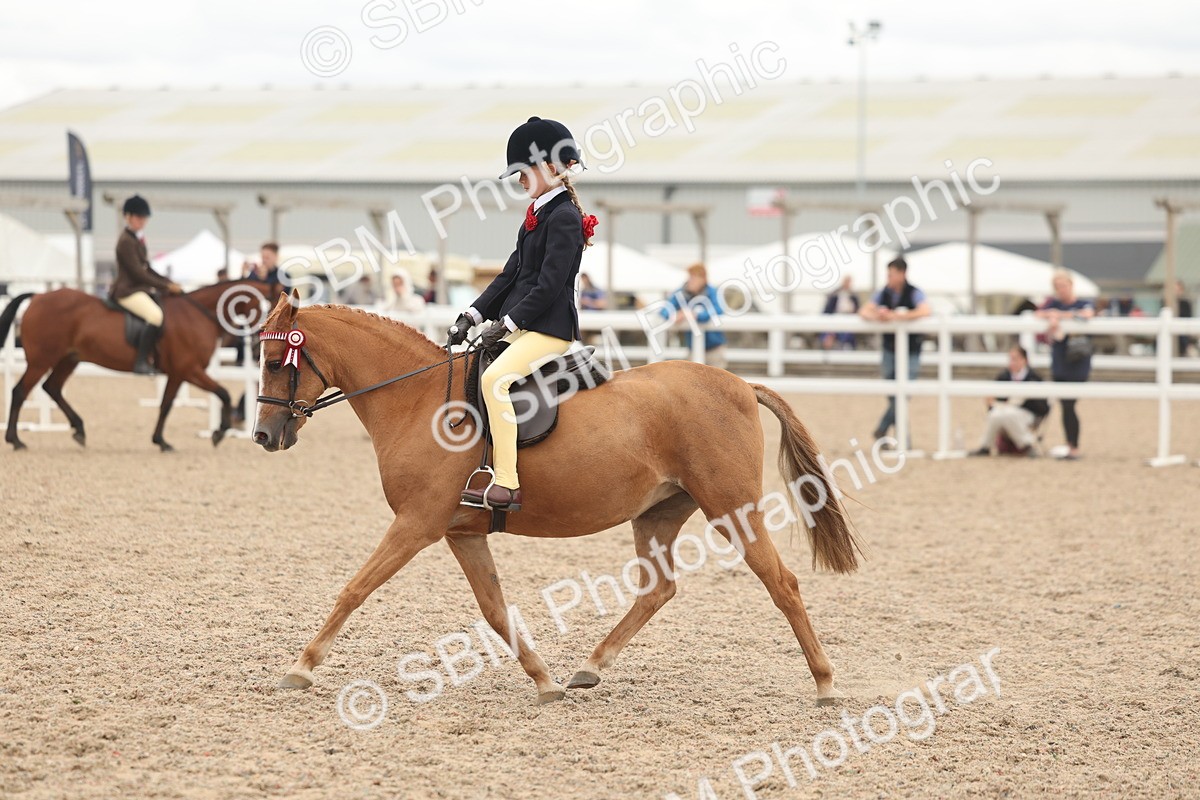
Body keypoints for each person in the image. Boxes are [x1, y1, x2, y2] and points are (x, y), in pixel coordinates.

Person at [449, 116, 598, 511]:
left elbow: (548, 287)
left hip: (549, 328)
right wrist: (473, 315)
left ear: (550, 167)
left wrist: (507, 325)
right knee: (472, 366)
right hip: (525, 324)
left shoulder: (565, 217)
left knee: (496, 380)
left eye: (522, 171)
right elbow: (511, 274)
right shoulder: (538, 214)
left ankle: (507, 483)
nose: (517, 179)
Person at [859, 257, 930, 444]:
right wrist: (881, 316)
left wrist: (900, 316)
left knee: (903, 393)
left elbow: (925, 311)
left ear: (902, 273)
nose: (888, 277)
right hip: (890, 349)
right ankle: (902, 439)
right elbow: (864, 311)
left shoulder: (914, 292)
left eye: (891, 274)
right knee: (894, 394)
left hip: (911, 350)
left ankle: (883, 429)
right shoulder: (883, 293)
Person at [111, 195, 182, 374]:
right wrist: (165, 287)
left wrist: (168, 282)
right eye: (137, 217)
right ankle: (141, 362)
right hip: (127, 291)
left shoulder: (137, 238)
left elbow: (147, 268)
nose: (141, 221)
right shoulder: (125, 241)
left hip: (138, 289)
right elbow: (138, 273)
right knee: (155, 316)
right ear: (127, 217)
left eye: (143, 218)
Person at [1035, 269, 1095, 460]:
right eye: (1058, 286)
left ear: (1071, 285)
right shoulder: (1053, 303)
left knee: (1069, 404)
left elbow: (1087, 314)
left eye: (1064, 285)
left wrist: (1058, 315)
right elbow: (1038, 313)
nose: (1061, 289)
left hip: (1077, 361)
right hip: (1060, 360)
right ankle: (1071, 445)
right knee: (1065, 404)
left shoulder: (1081, 303)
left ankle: (1073, 446)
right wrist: (1053, 315)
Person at [968, 345, 1050, 457]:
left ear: (1024, 360)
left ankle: (1027, 445)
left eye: (1015, 359)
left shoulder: (1034, 378)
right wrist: (991, 403)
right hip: (1005, 413)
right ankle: (985, 447)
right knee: (995, 414)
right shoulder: (1003, 376)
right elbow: (994, 403)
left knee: (1009, 414)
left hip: (1028, 414)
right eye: (1010, 359)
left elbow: (1043, 407)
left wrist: (1026, 400)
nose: (1012, 362)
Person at [661, 263, 728, 370]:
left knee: (717, 382)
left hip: (714, 348)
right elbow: (664, 310)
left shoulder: (712, 292)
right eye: (690, 277)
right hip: (693, 347)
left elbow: (719, 309)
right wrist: (676, 315)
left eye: (694, 277)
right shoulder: (682, 293)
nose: (691, 281)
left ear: (704, 279)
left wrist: (697, 315)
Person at [821, 276, 860, 350]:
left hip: (849, 318)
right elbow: (828, 309)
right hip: (835, 317)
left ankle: (844, 346)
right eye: (846, 282)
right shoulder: (835, 294)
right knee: (829, 331)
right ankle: (828, 343)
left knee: (847, 332)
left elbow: (857, 309)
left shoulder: (853, 295)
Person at [1177, 280, 1194, 356]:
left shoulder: (1185, 303)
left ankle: (1187, 348)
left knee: (1183, 335)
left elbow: (1188, 316)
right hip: (1177, 330)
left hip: (1184, 328)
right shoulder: (1166, 302)